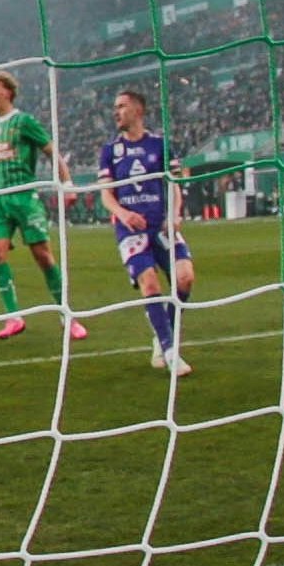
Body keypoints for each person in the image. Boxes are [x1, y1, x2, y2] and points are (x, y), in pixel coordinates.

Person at [0, 71, 82, 342]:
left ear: (8, 92)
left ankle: (67, 315)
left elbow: (50, 150)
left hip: (24, 196)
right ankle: (14, 317)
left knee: (43, 256)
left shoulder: (24, 122)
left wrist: (67, 182)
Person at [97, 89, 194, 377]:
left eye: (122, 106)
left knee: (185, 278)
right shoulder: (110, 151)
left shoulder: (161, 146)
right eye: (114, 107)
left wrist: (175, 215)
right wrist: (124, 214)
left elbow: (174, 184)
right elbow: (106, 195)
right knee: (150, 284)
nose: (116, 112)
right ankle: (170, 351)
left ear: (138, 110)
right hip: (130, 230)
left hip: (162, 225)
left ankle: (162, 335)